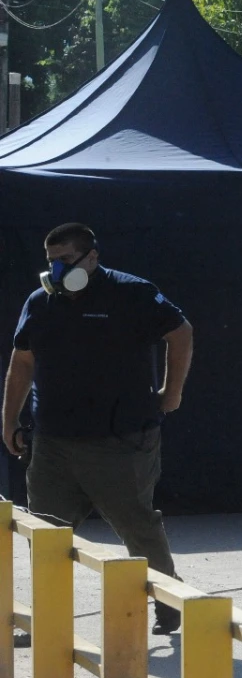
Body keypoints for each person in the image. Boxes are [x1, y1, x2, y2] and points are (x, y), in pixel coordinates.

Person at [2, 223, 194, 635]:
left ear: (92, 257)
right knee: (47, 534)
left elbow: (180, 333)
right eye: (50, 261)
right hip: (53, 442)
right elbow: (22, 362)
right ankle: (48, 624)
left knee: (136, 526)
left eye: (65, 261)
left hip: (119, 440)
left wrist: (171, 392)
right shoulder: (41, 302)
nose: (56, 270)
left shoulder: (132, 293)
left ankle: (167, 599)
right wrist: (9, 421)